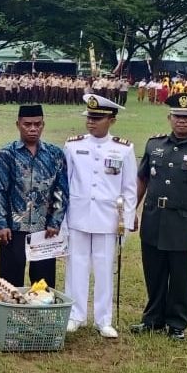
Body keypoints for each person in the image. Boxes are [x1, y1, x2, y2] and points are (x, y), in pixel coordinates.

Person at [131, 93, 187, 341]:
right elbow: (142, 180)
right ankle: (152, 320)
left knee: (181, 277)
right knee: (154, 273)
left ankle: (176, 324)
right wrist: (132, 210)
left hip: (185, 224)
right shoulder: (154, 145)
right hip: (154, 219)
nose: (182, 121)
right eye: (177, 116)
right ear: (169, 118)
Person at [63, 95, 137, 338]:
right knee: (77, 265)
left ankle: (103, 319)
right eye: (89, 118)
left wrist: (125, 222)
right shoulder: (73, 145)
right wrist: (63, 220)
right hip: (79, 215)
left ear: (111, 120)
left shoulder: (123, 148)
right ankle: (76, 314)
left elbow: (128, 189)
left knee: (104, 268)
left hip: (107, 218)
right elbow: (66, 184)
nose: (91, 122)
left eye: (97, 118)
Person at [0, 104, 68, 288]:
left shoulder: (54, 154)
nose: (33, 129)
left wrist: (55, 221)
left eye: (37, 124)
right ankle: (10, 314)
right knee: (10, 281)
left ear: (43, 125)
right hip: (14, 228)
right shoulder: (6, 154)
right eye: (27, 124)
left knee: (43, 283)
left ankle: (39, 315)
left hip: (44, 228)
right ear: (18, 124)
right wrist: (2, 224)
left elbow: (61, 190)